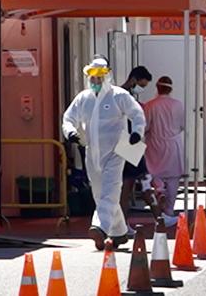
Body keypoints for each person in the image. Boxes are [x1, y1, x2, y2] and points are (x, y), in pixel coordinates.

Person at [62, 57, 146, 250]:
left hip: (116, 151)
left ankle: (99, 227)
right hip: (92, 152)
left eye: (100, 78)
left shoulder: (119, 95)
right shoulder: (84, 98)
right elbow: (68, 117)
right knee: (100, 193)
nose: (96, 82)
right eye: (93, 78)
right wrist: (70, 132)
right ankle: (119, 232)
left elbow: (137, 114)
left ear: (107, 76)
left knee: (111, 189)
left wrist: (137, 133)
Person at [142, 75, 186, 227]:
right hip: (173, 145)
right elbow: (182, 126)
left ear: (157, 88)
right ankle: (169, 211)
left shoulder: (150, 105)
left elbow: (145, 127)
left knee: (155, 173)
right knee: (173, 179)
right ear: (170, 89)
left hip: (154, 144)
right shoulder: (178, 105)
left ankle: (159, 190)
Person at [117, 66, 153, 213]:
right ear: (133, 80)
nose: (141, 89)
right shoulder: (122, 96)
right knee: (138, 181)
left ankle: (124, 223)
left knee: (129, 184)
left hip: (128, 142)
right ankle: (160, 218)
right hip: (127, 143)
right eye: (141, 85)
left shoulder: (125, 95)